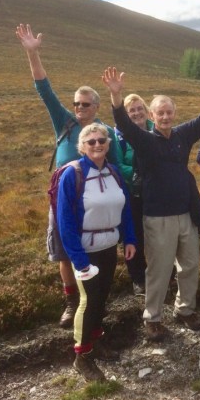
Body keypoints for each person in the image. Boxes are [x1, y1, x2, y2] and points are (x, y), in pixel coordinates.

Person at [102, 63, 200, 342]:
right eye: (159, 113)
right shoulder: (144, 140)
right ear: (151, 115)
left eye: (169, 112)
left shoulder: (182, 135)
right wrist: (116, 97)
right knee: (159, 269)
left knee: (189, 265)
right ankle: (153, 317)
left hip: (185, 212)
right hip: (157, 216)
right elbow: (124, 123)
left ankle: (185, 310)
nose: (164, 116)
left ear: (174, 114)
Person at [15, 24, 128, 329]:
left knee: (97, 247)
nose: (79, 108)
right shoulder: (64, 121)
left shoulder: (105, 133)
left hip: (96, 197)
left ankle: (94, 300)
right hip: (64, 195)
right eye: (77, 103)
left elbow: (117, 167)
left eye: (85, 104)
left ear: (97, 106)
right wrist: (32, 52)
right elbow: (44, 89)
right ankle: (71, 302)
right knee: (65, 252)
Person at [57, 124, 136, 382]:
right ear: (82, 146)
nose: (97, 144)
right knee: (88, 302)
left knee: (101, 299)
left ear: (108, 144)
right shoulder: (73, 174)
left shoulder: (113, 172)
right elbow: (65, 222)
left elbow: (125, 209)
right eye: (91, 142)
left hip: (108, 247)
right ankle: (82, 356)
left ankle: (96, 341)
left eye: (102, 140)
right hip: (85, 252)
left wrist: (130, 239)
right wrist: (79, 260)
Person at [115, 94, 154, 295]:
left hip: (156, 193)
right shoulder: (119, 136)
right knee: (134, 234)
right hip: (133, 193)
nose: (137, 113)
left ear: (147, 111)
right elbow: (117, 165)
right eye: (132, 110)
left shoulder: (157, 130)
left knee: (156, 234)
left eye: (140, 108)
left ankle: (159, 271)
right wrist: (139, 174)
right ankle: (137, 277)